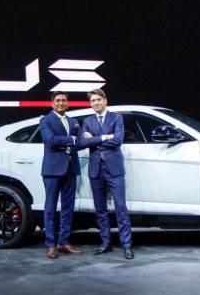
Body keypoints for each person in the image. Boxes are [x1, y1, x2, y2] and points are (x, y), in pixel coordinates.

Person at [79, 88, 134, 259]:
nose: (96, 103)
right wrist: (104, 137)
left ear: (105, 100)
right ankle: (105, 243)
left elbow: (118, 140)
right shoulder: (87, 121)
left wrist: (94, 140)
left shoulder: (116, 118)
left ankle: (126, 245)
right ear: (90, 103)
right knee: (100, 209)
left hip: (114, 169)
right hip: (95, 170)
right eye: (93, 101)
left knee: (121, 207)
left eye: (98, 99)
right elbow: (83, 143)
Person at [39, 91, 83, 259]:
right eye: (57, 100)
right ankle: (51, 245)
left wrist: (74, 142)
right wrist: (71, 140)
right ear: (52, 103)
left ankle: (63, 242)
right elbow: (50, 140)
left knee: (68, 207)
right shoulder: (45, 120)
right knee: (50, 208)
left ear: (67, 103)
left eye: (64, 100)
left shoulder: (73, 121)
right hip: (52, 169)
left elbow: (80, 142)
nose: (61, 103)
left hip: (70, 168)